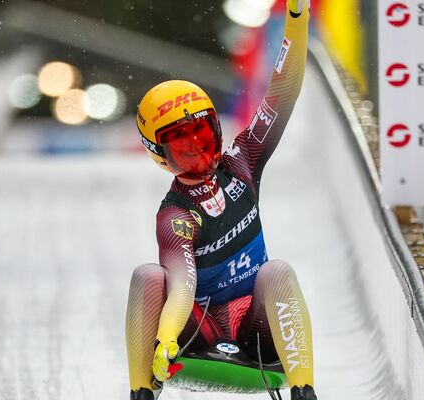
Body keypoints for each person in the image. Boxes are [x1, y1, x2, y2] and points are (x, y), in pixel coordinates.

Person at [125, 1, 315, 399]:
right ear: (161, 156)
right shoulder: (175, 214)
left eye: (203, 135)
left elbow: (280, 97)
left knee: (277, 271)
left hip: (255, 331)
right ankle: (142, 389)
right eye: (182, 145)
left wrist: (297, 23)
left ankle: (305, 391)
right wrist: (165, 338)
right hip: (194, 334)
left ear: (217, 128)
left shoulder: (243, 161)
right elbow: (181, 286)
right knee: (148, 276)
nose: (197, 149)